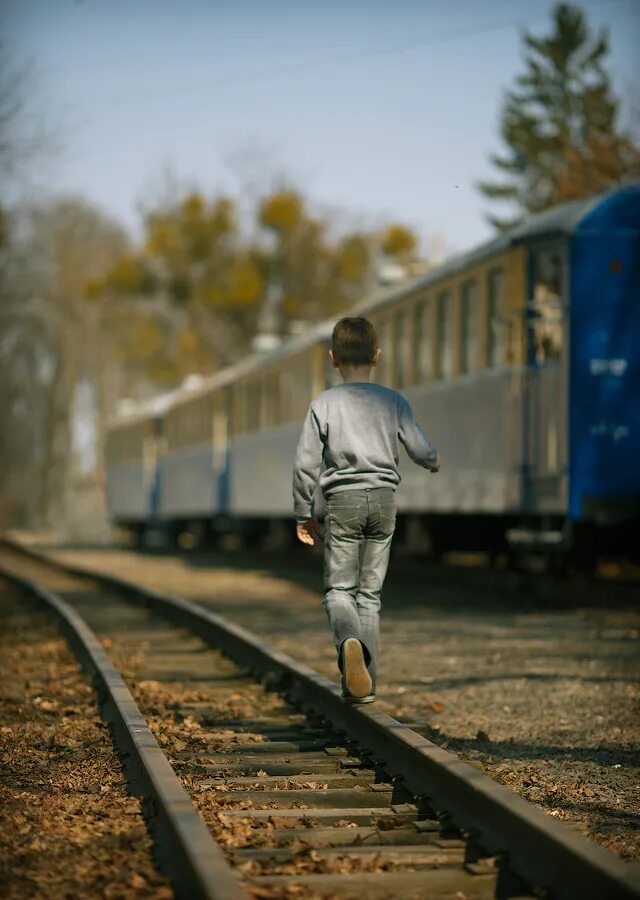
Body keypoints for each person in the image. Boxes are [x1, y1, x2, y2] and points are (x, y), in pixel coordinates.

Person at [292, 316, 440, 704]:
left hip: (343, 502)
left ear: (332, 359)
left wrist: (302, 513)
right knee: (370, 596)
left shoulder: (322, 404)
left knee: (340, 589)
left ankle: (350, 642)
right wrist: (433, 461)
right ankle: (366, 682)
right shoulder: (392, 401)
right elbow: (421, 447)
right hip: (385, 501)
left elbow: (306, 464)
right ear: (376, 356)